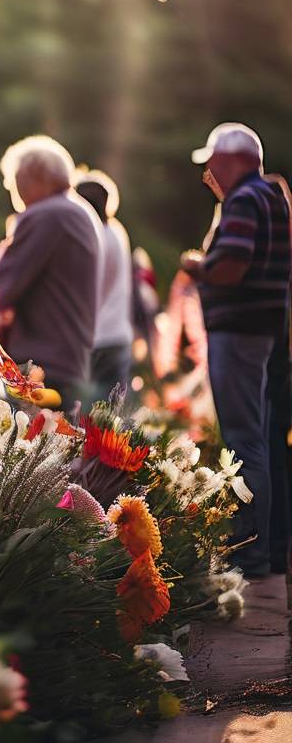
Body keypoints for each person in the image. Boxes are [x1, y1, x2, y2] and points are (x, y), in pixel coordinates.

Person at [181, 122, 291, 578]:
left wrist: (196, 265)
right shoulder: (269, 198)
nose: (209, 169)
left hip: (239, 333)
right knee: (260, 438)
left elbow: (230, 266)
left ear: (235, 160)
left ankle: (251, 552)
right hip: (262, 332)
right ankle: (270, 545)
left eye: (214, 161)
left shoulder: (245, 199)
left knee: (245, 440)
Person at [0, 136, 102, 415]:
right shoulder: (80, 212)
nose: (12, 190)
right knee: (56, 449)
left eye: (13, 180)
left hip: (39, 364)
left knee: (21, 451)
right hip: (69, 360)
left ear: (33, 177)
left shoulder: (46, 214)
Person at [75, 170, 134, 402]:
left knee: (88, 414)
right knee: (109, 415)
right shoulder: (117, 232)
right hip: (118, 334)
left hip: (97, 338)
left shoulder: (96, 238)